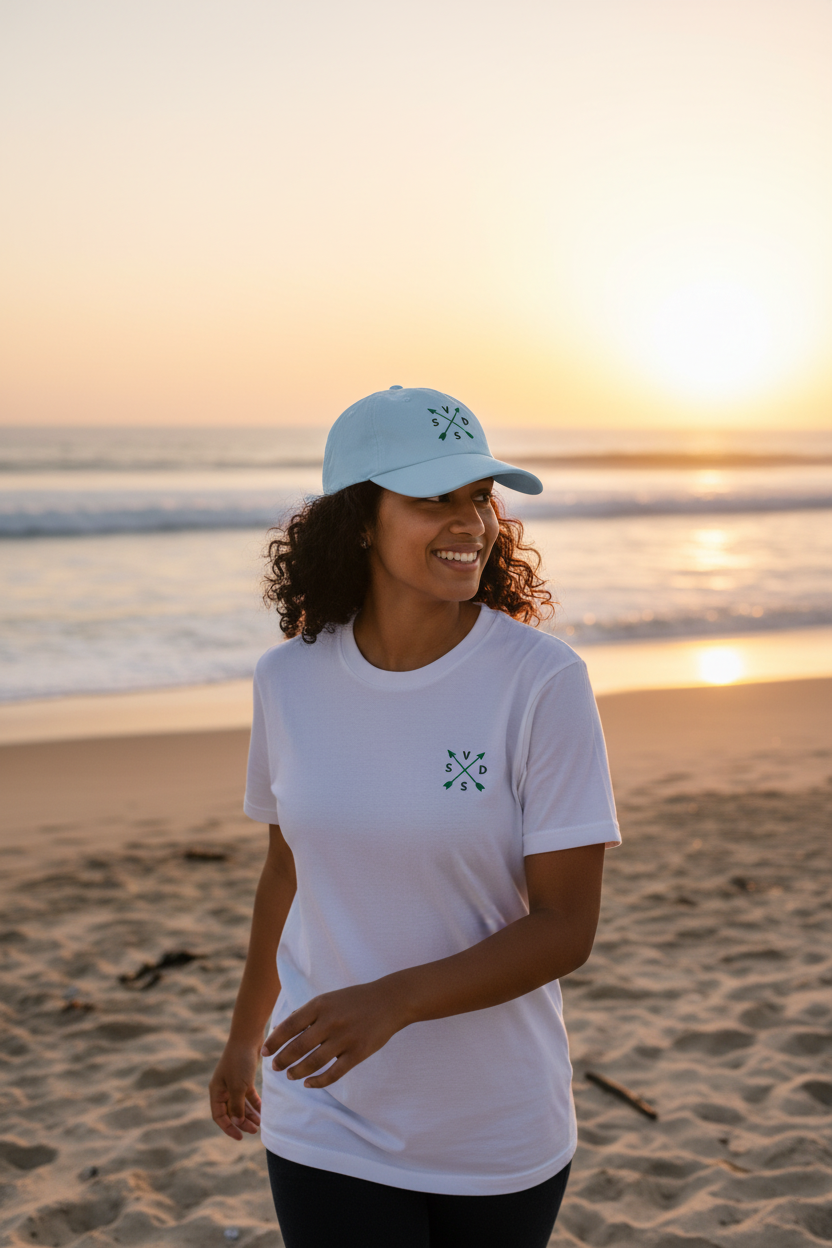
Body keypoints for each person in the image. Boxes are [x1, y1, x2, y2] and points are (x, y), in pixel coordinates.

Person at [209, 386, 620, 1248]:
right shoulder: (287, 680)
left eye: (479, 496)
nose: (470, 521)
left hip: (495, 1129)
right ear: (361, 518)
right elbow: (288, 869)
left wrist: (394, 1001)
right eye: (434, 498)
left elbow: (565, 926)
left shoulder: (541, 682)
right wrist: (244, 1039)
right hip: (324, 1113)